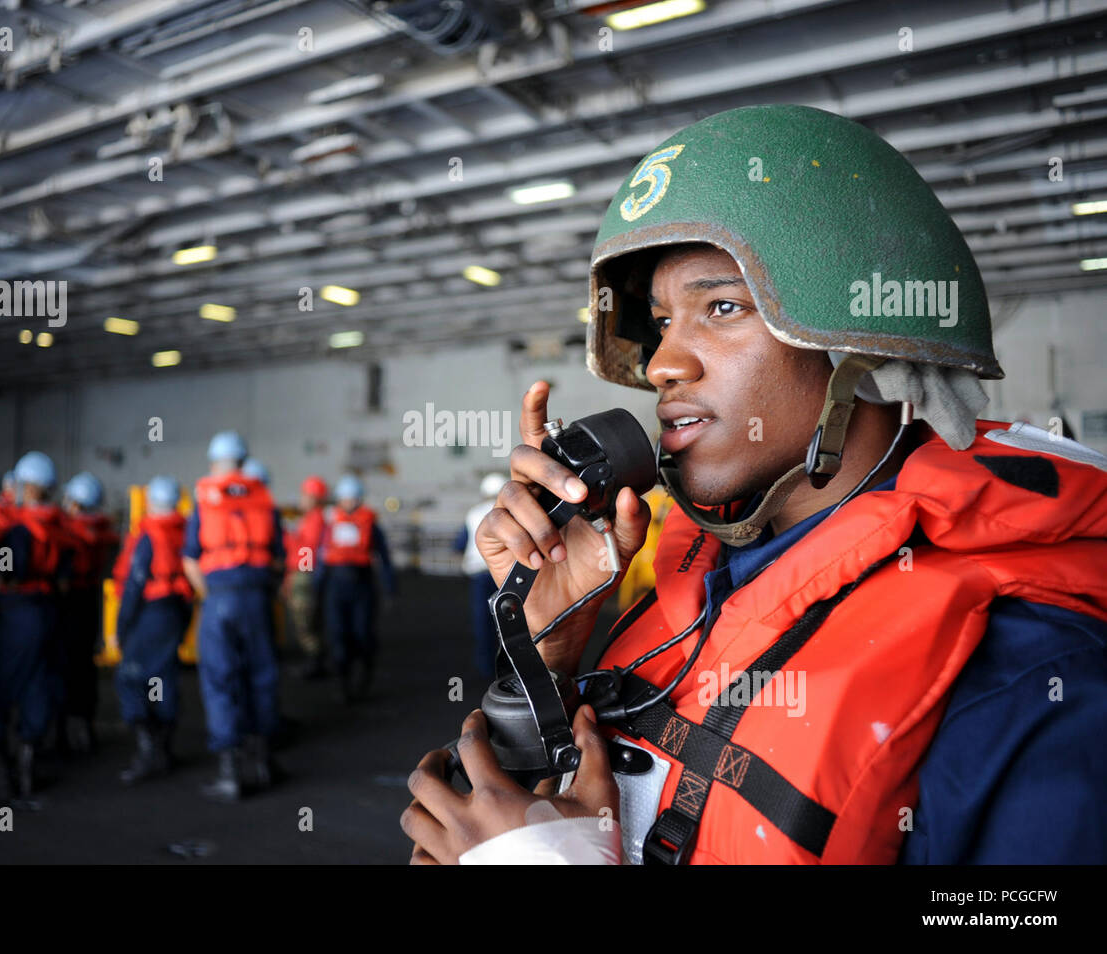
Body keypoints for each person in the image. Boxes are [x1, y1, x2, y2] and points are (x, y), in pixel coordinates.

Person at [401, 104, 1107, 865]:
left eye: (723, 308)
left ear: (865, 351)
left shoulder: (1032, 685)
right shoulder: (701, 587)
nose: (665, 363)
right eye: (663, 322)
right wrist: (543, 657)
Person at [183, 431, 285, 799]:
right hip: (257, 597)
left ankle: (230, 774)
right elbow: (278, 558)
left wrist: (211, 596)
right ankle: (263, 764)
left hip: (220, 598)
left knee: (220, 680)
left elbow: (191, 558)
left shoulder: (205, 501)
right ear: (244, 462)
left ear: (215, 463)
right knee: (262, 676)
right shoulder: (264, 500)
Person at [0, 451, 71, 800]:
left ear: (28, 487)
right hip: (49, 611)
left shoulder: (18, 531)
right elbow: (64, 581)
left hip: (17, 613)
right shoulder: (59, 527)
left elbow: (7, 574)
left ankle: (0, 768)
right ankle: (29, 762)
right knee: (37, 684)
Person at [111, 476, 194, 783]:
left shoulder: (148, 536)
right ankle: (164, 749)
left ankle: (149, 753)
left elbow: (133, 586)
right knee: (163, 677)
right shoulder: (183, 531)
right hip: (175, 612)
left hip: (150, 615)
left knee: (131, 679)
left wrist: (121, 628)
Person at [315, 475, 396, 704]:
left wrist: (390, 589)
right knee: (338, 636)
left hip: (362, 586)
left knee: (362, 634)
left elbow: (384, 558)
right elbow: (319, 555)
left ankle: (364, 676)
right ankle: (343, 683)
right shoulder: (330, 523)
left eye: (353, 498)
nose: (349, 502)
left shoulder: (370, 523)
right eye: (345, 498)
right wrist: (316, 586)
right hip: (335, 586)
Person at [59, 471, 118, 753]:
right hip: (91, 602)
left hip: (67, 602)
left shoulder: (66, 534)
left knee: (61, 666)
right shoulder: (103, 533)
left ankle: (60, 731)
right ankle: (85, 728)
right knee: (85, 666)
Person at [453, 473, 505, 679]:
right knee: (511, 621)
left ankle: (486, 668)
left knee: (483, 620)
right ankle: (511, 666)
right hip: (505, 574)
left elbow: (459, 544)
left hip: (479, 574)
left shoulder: (474, 513)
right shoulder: (510, 512)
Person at [284, 476, 328, 679]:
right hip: (304, 574)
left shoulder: (314, 519)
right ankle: (315, 661)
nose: (301, 498)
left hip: (304, 575)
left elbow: (307, 549)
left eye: (304, 494)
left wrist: (301, 575)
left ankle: (314, 663)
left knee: (305, 621)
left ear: (313, 498)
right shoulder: (312, 519)